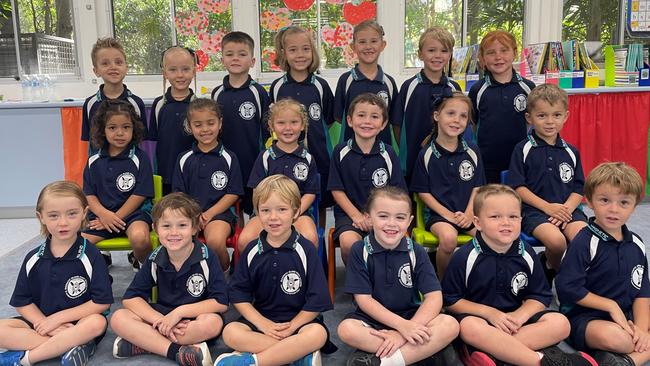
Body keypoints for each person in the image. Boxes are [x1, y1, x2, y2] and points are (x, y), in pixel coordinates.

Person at [442, 184, 597, 366]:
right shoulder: (464, 257)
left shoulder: (527, 253)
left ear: (521, 220)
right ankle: (541, 361)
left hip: (516, 322)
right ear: (477, 223)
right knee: (469, 328)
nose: (506, 222)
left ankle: (495, 355)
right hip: (481, 321)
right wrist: (490, 314)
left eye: (513, 216)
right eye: (495, 216)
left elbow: (539, 296)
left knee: (560, 323)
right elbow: (450, 301)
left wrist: (519, 316)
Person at [214, 175, 332, 366]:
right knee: (230, 332)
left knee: (317, 334)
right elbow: (239, 296)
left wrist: (292, 326)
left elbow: (317, 302)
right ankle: (296, 356)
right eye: (266, 210)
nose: (273, 217)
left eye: (282, 210)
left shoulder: (306, 249)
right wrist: (263, 324)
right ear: (257, 214)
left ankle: (254, 361)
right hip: (263, 322)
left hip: (299, 323)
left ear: (295, 212)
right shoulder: (252, 250)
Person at [337, 186, 460, 366]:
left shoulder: (415, 251)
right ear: (368, 218)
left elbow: (434, 297)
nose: (392, 223)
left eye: (400, 217)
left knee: (450, 324)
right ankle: (421, 353)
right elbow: (364, 300)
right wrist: (402, 328)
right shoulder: (359, 250)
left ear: (409, 221)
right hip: (373, 321)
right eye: (383, 216)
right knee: (346, 330)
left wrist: (406, 329)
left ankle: (387, 361)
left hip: (413, 318)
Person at [0, 181, 112, 366]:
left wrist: (58, 319)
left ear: (84, 213)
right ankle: (70, 347)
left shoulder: (91, 255)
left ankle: (26, 359)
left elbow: (101, 302)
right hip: (42, 324)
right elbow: (23, 302)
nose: (63, 222)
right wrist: (47, 324)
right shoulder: (33, 258)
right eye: (53, 216)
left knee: (96, 323)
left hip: (79, 324)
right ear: (41, 217)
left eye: (72, 214)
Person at [110, 192, 228, 366]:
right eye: (166, 226)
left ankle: (146, 344)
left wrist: (178, 313)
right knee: (118, 318)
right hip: (161, 317)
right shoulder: (155, 257)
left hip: (193, 318)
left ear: (195, 228)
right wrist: (159, 320)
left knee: (213, 323)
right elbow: (131, 298)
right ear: (155, 228)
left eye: (182, 225)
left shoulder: (207, 256)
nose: (174, 233)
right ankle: (177, 352)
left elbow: (220, 302)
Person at [555, 162, 650, 366]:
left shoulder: (637, 244)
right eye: (605, 200)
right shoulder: (584, 242)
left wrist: (641, 329)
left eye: (624, 202)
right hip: (585, 319)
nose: (613, 209)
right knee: (618, 339)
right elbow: (567, 288)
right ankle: (629, 353)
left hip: (627, 316)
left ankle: (626, 362)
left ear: (635, 205)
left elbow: (642, 291)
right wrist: (610, 305)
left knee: (638, 335)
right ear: (589, 201)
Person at [508, 84, 587, 276]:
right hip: (535, 212)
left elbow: (579, 187)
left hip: (568, 210)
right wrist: (548, 208)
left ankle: (551, 266)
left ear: (566, 116)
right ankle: (563, 279)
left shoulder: (571, 151)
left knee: (584, 239)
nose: (550, 122)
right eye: (542, 116)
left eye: (556, 115)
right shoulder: (522, 149)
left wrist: (566, 209)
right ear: (529, 118)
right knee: (557, 242)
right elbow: (518, 187)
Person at [410, 91, 484, 278]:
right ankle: (443, 284)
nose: (456, 120)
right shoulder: (426, 154)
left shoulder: (473, 151)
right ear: (437, 116)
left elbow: (478, 187)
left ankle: (477, 282)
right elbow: (423, 193)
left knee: (489, 237)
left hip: (467, 215)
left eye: (463, 116)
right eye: (450, 113)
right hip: (438, 217)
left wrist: (468, 214)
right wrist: (448, 215)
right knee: (449, 239)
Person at [328, 93, 407, 265]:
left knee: (391, 243)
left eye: (374, 117)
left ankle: (382, 283)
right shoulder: (340, 152)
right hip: (350, 216)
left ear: (383, 124)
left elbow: (397, 192)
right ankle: (357, 286)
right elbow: (337, 190)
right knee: (350, 244)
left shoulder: (388, 153)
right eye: (361, 115)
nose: (367, 121)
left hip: (385, 214)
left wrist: (377, 216)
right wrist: (357, 216)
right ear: (349, 120)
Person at [270, 25, 335, 221]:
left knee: (319, 202)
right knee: (285, 203)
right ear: (284, 53)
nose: (300, 55)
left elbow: (329, 121)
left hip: (319, 156)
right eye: (293, 49)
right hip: (285, 159)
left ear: (313, 52)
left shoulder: (320, 86)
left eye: (305, 49)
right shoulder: (278, 87)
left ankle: (318, 245)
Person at [81, 100, 153, 271]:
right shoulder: (93, 160)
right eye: (112, 128)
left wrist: (116, 217)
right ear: (102, 130)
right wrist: (104, 215)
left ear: (133, 129)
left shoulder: (140, 158)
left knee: (140, 239)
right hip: (101, 217)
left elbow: (140, 194)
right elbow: (88, 194)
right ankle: (96, 277)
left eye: (126, 127)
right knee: (78, 245)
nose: (120, 133)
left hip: (134, 215)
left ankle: (148, 271)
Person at [172, 98, 243, 273]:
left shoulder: (229, 157)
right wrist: (193, 215)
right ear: (190, 127)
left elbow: (233, 193)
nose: (205, 129)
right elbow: (179, 195)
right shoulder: (184, 158)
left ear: (220, 123)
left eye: (210, 123)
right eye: (198, 125)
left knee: (215, 241)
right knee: (177, 239)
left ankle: (224, 273)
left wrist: (210, 213)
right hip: (189, 215)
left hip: (220, 215)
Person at [239, 98, 319, 251]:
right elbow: (256, 191)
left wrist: (294, 213)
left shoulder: (308, 158)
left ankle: (307, 273)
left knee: (310, 238)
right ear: (271, 126)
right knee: (245, 240)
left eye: (294, 122)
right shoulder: (265, 157)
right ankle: (252, 273)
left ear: (302, 125)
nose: (288, 128)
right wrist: (268, 213)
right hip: (267, 214)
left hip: (299, 214)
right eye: (281, 123)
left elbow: (310, 193)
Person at [212, 31, 271, 215]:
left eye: (242, 54)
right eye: (229, 54)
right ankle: (239, 244)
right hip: (226, 165)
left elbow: (267, 130)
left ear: (252, 61)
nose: (235, 59)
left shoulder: (259, 93)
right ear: (222, 60)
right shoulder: (216, 93)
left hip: (253, 162)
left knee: (255, 209)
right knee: (233, 209)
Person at [392, 26, 461, 180]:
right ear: (420, 54)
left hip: (446, 164)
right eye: (431, 50)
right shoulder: (409, 87)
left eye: (444, 51)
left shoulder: (454, 88)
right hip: (413, 163)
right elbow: (397, 125)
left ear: (450, 55)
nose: (437, 56)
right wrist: (407, 152)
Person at [469, 30, 536, 184]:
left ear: (514, 53)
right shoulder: (477, 90)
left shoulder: (528, 87)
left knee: (517, 202)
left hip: (520, 160)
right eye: (491, 53)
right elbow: (472, 124)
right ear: (483, 58)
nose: (498, 57)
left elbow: (535, 122)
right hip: (488, 162)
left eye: (504, 50)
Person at [334, 20, 398, 146]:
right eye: (362, 42)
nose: (368, 46)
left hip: (382, 152)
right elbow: (338, 117)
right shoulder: (345, 81)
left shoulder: (389, 83)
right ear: (353, 46)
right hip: (350, 152)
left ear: (383, 45)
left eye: (374, 41)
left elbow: (393, 119)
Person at [81, 37, 147, 156]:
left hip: (128, 169)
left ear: (126, 68)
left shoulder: (136, 103)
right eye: (105, 63)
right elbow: (90, 142)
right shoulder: (90, 104)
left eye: (118, 62)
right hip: (100, 170)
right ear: (96, 71)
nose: (113, 67)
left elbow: (140, 139)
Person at [149, 46, 197, 195]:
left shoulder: (199, 105)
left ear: (194, 71)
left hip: (192, 174)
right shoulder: (159, 105)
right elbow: (153, 143)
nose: (180, 75)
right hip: (165, 174)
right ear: (164, 73)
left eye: (185, 69)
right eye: (173, 70)